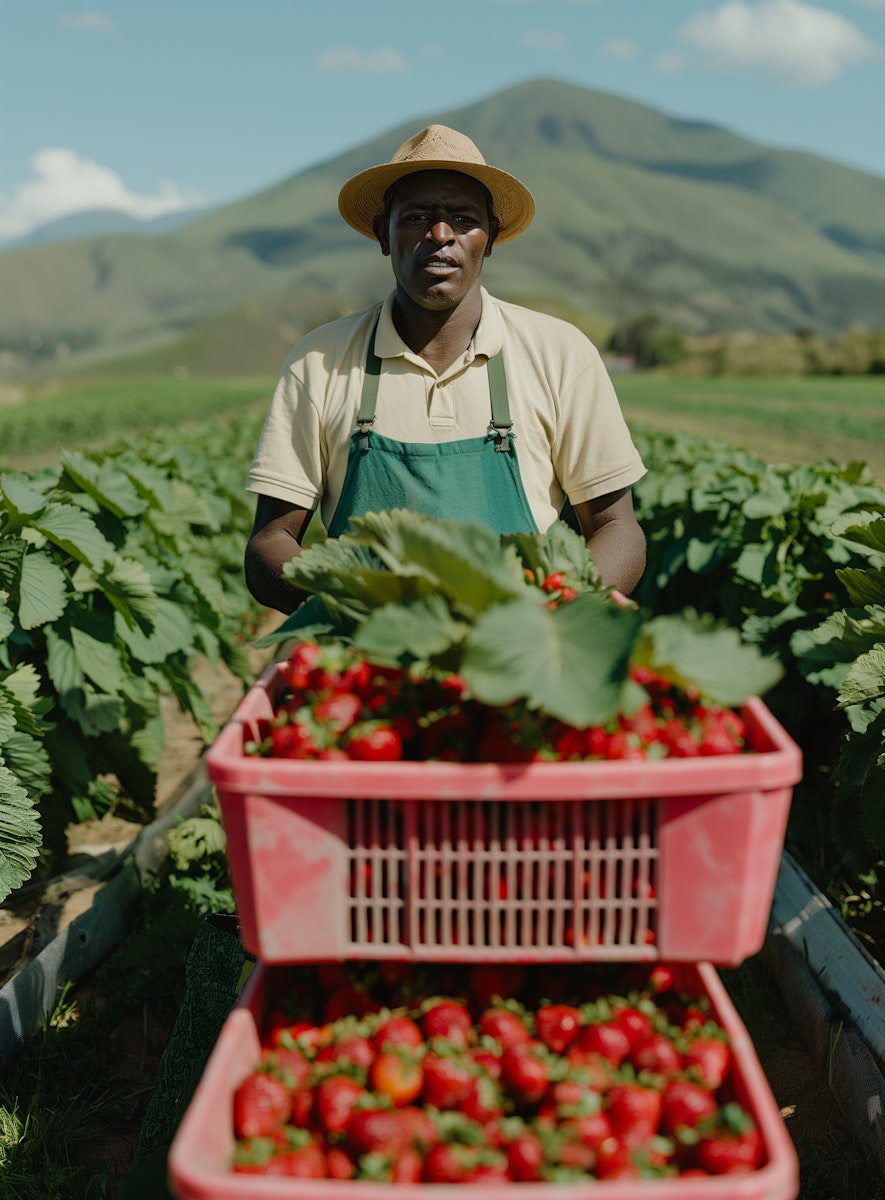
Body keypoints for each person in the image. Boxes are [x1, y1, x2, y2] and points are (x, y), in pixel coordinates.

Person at [244, 124, 646, 615]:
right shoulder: (319, 360)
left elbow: (616, 528)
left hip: (517, 645)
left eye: (462, 218)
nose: (439, 235)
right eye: (415, 217)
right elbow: (271, 539)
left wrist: (553, 614)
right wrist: (351, 609)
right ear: (382, 235)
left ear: (490, 238)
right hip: (370, 653)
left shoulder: (562, 354)